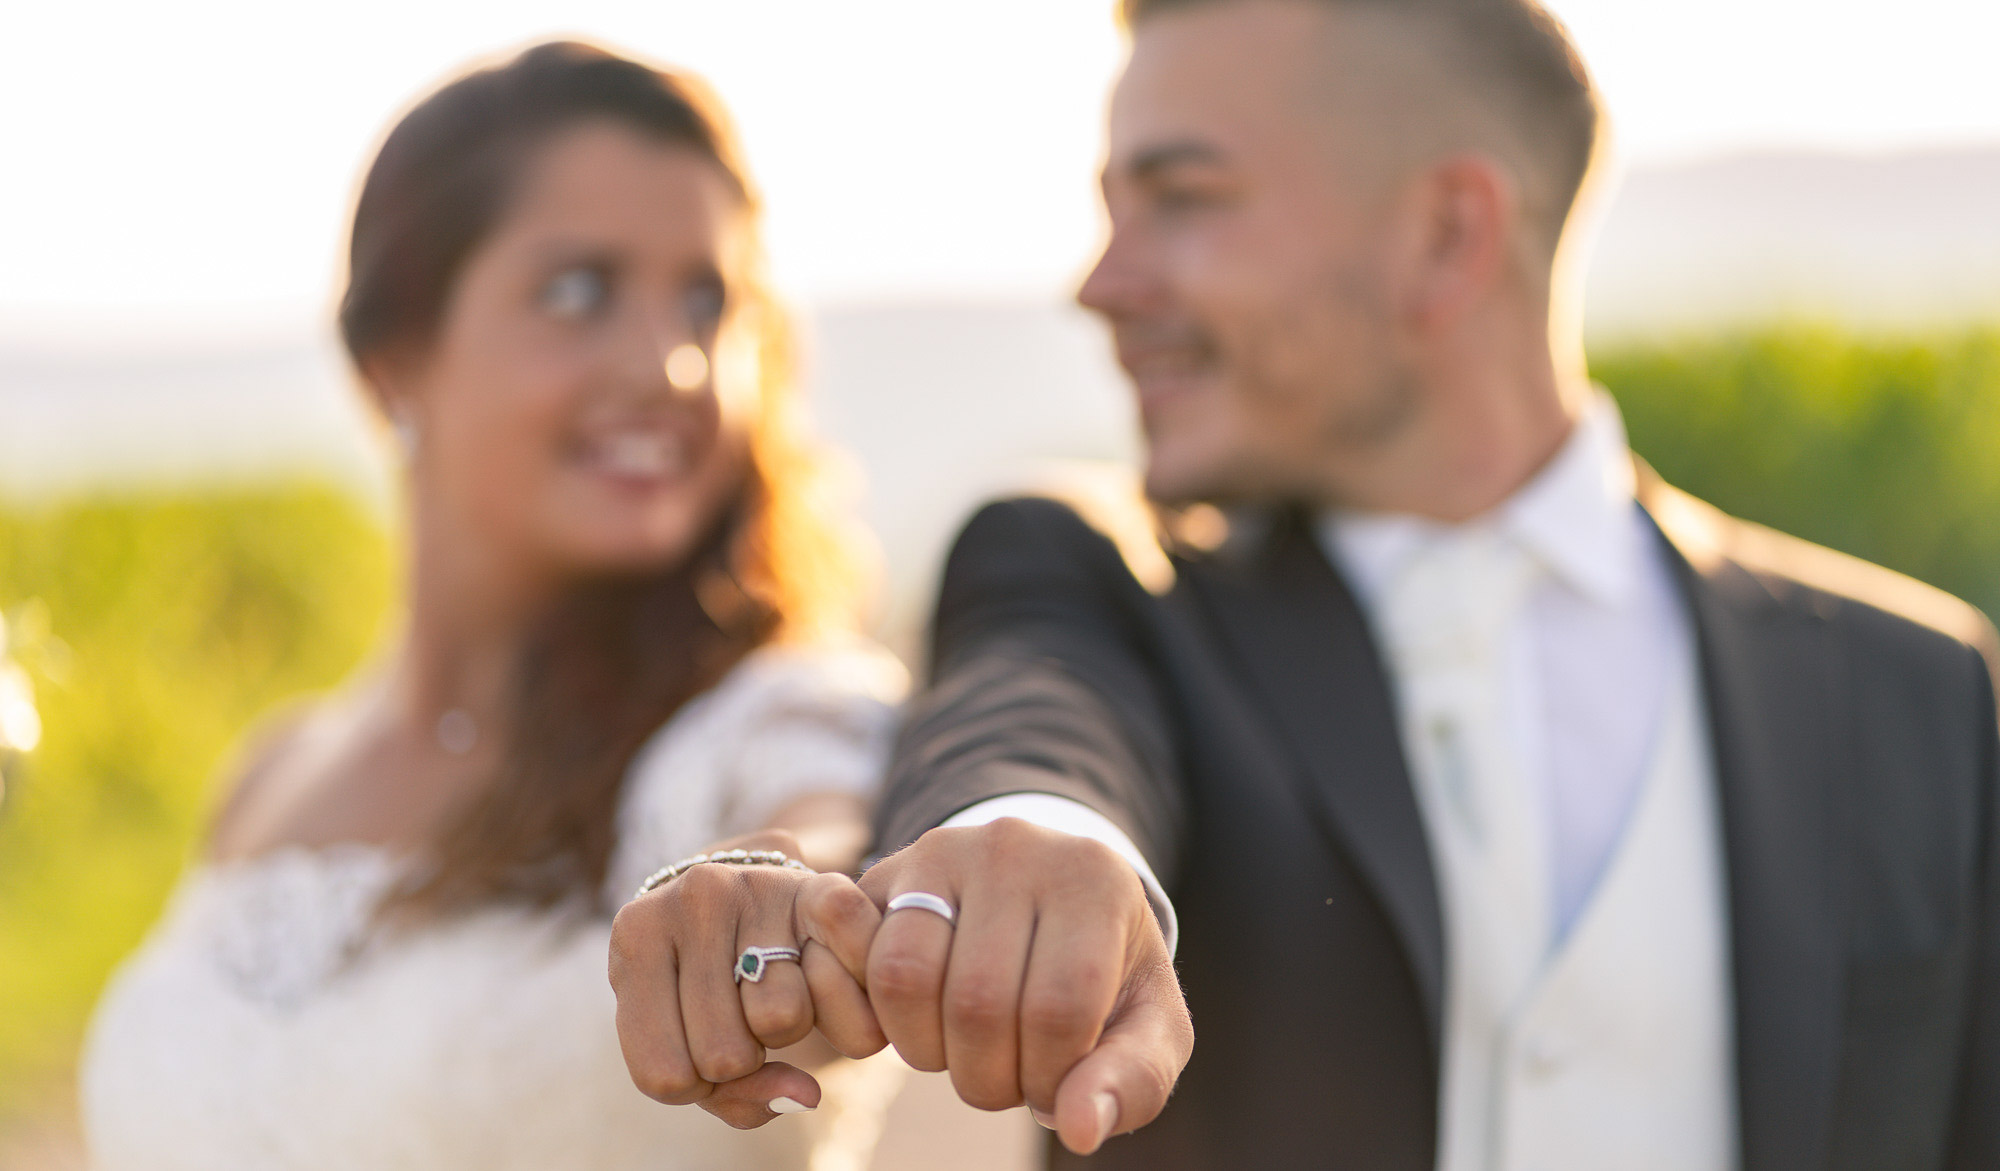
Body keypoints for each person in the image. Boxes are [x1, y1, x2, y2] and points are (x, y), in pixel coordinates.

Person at [610, 0, 2000, 1167]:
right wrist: (1035, 833)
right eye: (1110, 209)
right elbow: (1032, 715)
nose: (1103, 282)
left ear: (1448, 236)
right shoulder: (1100, 578)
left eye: (1182, 198)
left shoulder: (1924, 689)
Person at [81, 41, 906, 1171]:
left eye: (706, 302)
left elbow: (835, 853)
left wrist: (783, 897)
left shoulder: (771, 719)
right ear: (394, 354)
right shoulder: (273, 777)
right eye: (578, 292)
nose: (671, 365)